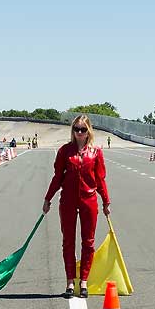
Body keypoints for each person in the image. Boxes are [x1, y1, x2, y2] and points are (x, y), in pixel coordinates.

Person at [42, 115, 111, 298]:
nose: (79, 133)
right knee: (68, 242)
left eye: (82, 129)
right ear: (72, 131)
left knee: (88, 243)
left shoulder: (96, 152)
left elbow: (100, 179)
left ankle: (84, 281)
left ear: (89, 131)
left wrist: (106, 201)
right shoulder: (65, 151)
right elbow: (57, 177)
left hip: (89, 201)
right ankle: (70, 282)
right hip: (68, 201)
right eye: (76, 129)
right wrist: (48, 198)